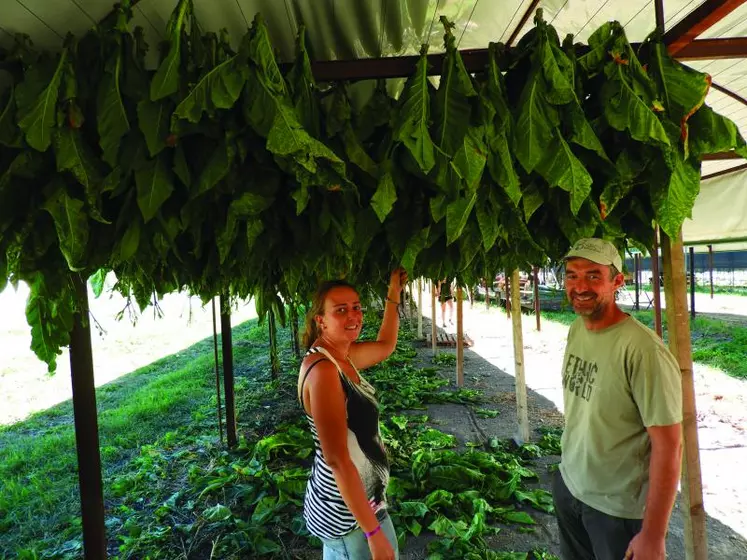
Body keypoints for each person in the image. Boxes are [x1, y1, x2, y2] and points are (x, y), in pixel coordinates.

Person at [554, 238, 683, 560]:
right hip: (570, 484)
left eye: (593, 276)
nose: (580, 286)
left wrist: (653, 535)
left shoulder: (642, 350)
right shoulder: (576, 329)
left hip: (616, 508)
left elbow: (669, 445)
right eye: (572, 275)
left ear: (617, 281)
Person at [298, 268, 407, 560]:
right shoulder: (323, 370)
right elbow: (336, 459)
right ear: (320, 320)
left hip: (364, 505)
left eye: (356, 307)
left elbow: (386, 345)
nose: (353, 316)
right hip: (347, 516)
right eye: (341, 310)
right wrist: (373, 534)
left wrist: (393, 294)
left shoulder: (342, 355)